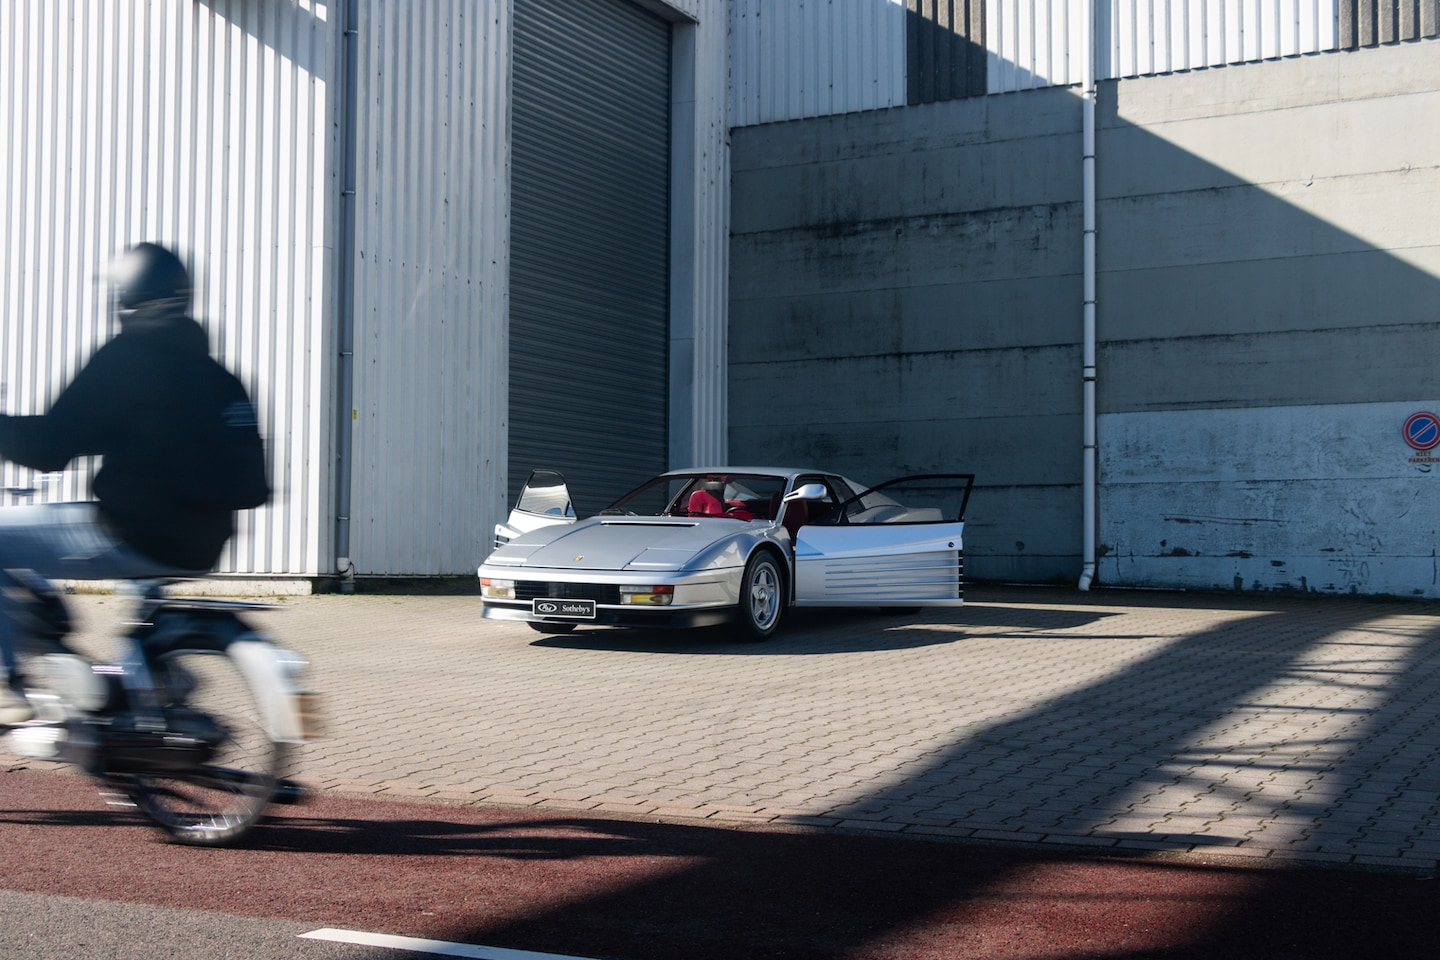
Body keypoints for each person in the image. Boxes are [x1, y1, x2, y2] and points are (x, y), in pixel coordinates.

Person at [0, 242, 266, 723]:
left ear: (126, 296)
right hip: (199, 545)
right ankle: (142, 679)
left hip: (129, 535)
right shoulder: (219, 377)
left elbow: (49, 446)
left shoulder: (127, 358)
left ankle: (5, 683)